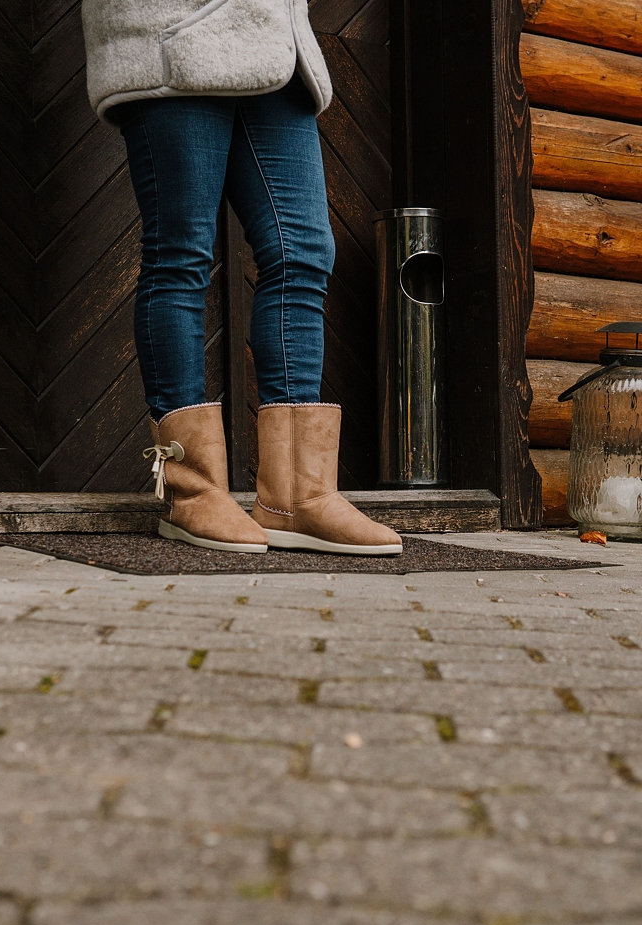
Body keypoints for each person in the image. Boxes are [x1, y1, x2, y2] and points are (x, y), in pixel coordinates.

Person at [82, 0, 403, 557]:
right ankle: (194, 490)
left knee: (302, 253)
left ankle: (298, 496)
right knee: (181, 255)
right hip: (174, 35)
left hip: (278, 48)